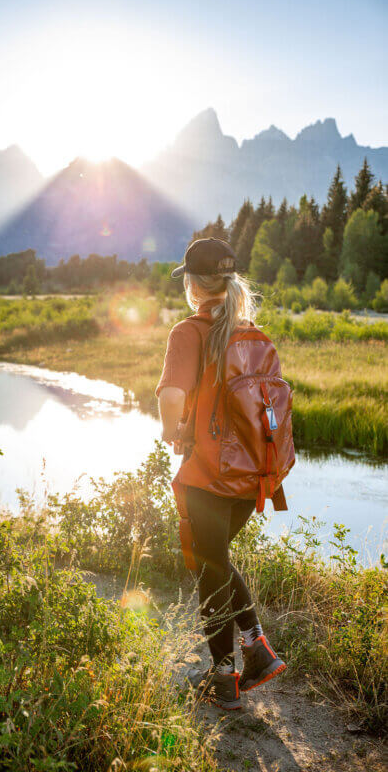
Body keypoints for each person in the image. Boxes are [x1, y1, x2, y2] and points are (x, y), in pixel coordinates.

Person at [156, 237, 287, 710]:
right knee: (215, 562)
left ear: (192, 284)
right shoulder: (248, 330)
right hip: (252, 474)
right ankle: (250, 653)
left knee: (212, 565)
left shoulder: (189, 332)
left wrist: (174, 433)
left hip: (209, 474)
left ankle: (228, 674)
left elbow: (171, 395)